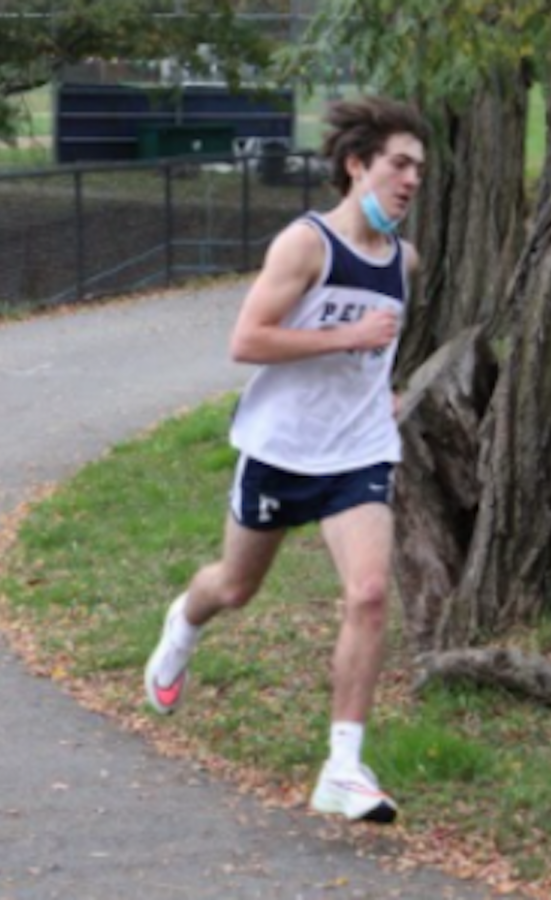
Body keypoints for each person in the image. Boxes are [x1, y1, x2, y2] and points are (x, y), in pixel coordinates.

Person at [144, 96, 428, 824]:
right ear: (355, 165)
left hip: (357, 453)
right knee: (234, 587)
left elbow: (376, 348)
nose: (410, 180)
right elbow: (248, 341)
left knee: (367, 593)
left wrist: (383, 387)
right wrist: (348, 336)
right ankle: (183, 624)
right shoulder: (304, 245)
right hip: (278, 450)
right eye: (398, 163)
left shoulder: (405, 261)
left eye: (419, 169)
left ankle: (342, 766)